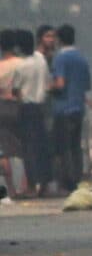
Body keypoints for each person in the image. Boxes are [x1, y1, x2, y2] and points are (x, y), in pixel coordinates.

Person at [10, 27, 53, 198]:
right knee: (42, 146)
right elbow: (47, 82)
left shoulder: (21, 66)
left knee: (28, 148)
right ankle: (45, 184)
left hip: (27, 108)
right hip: (41, 107)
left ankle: (31, 187)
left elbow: (16, 91)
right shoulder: (41, 60)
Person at [48, 25, 92, 192]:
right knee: (75, 146)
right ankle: (78, 179)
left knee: (63, 147)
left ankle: (68, 183)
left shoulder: (60, 58)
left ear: (59, 39)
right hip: (78, 108)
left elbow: (60, 84)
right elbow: (86, 85)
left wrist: (48, 87)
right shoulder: (82, 58)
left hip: (63, 109)